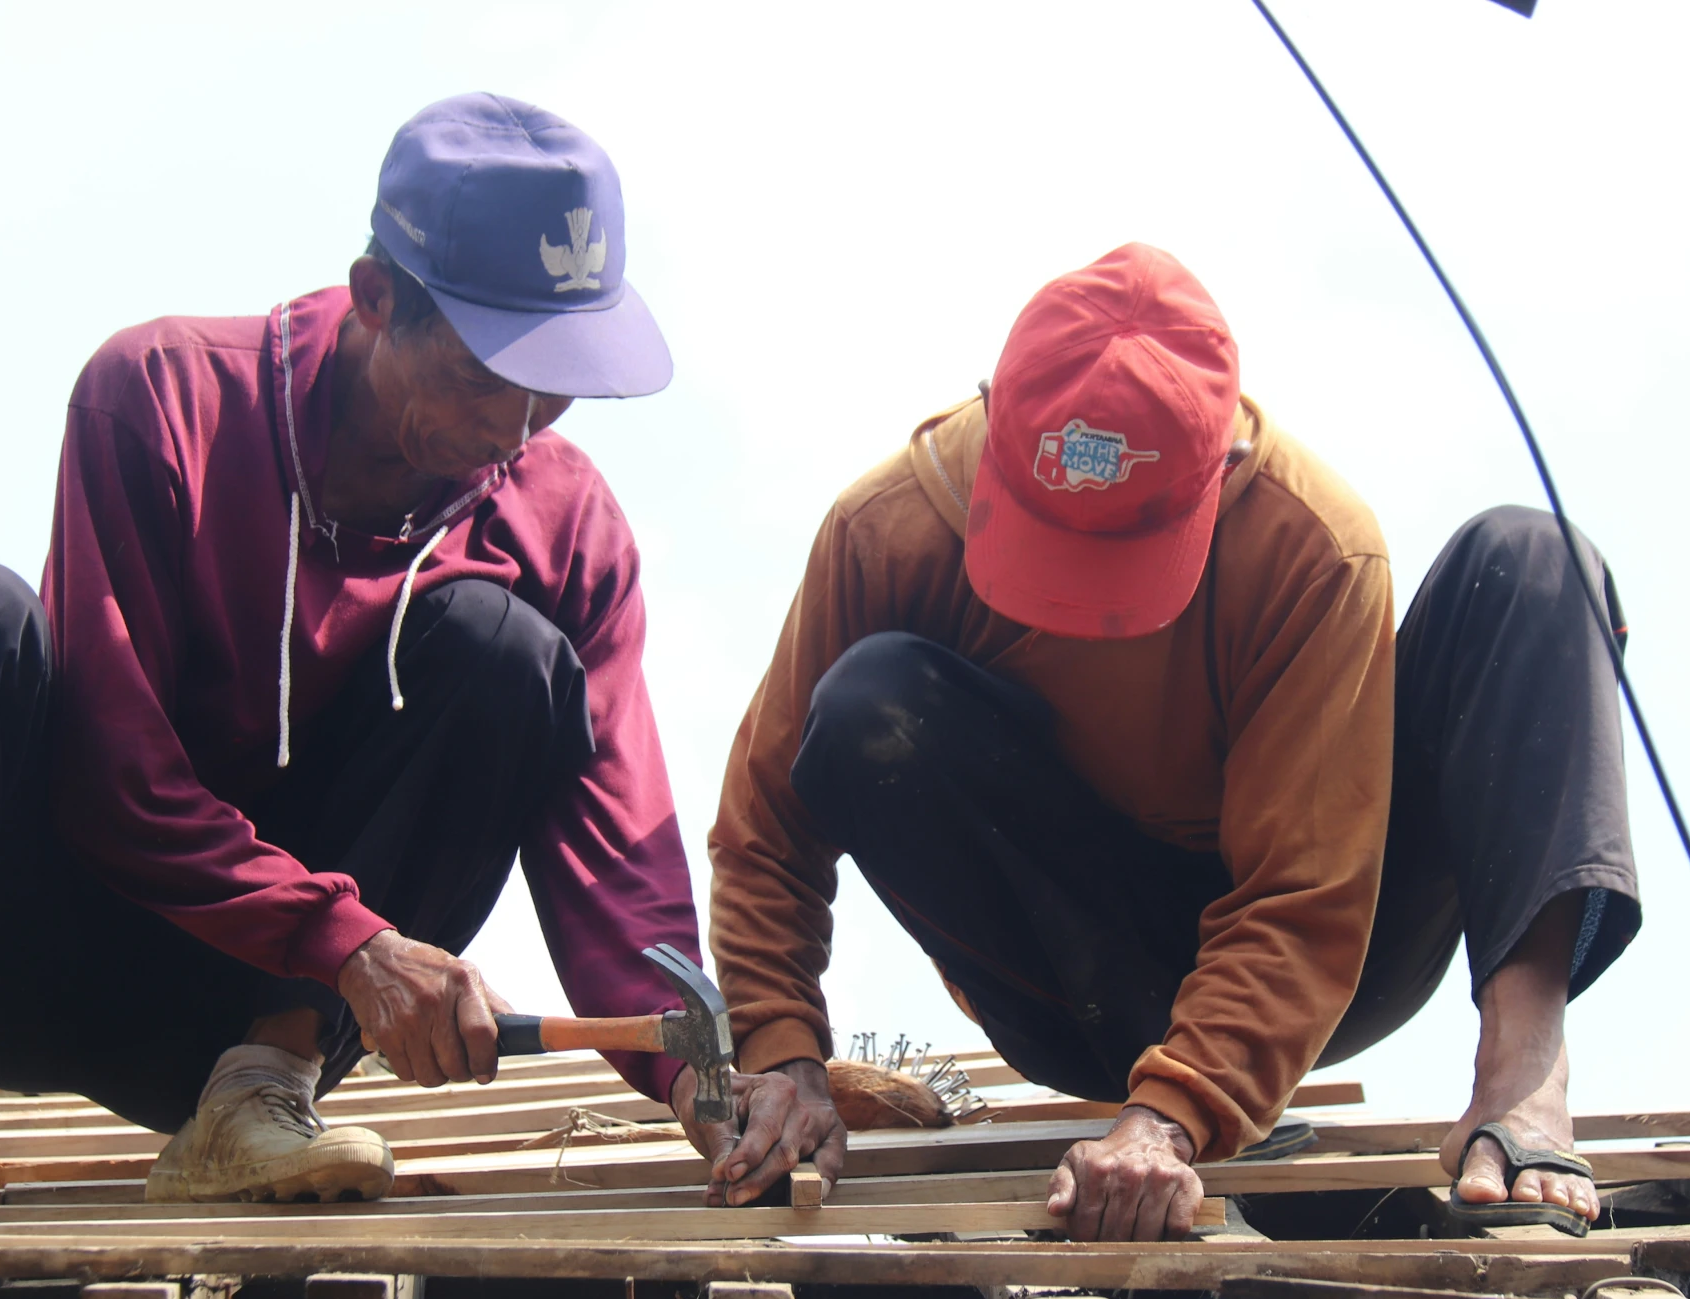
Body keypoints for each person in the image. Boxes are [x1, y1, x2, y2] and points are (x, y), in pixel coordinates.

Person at [0, 92, 702, 1227]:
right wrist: (354, 942)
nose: (517, 428)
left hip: (268, 1014)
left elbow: (621, 850)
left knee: (508, 653)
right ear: (375, 300)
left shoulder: (566, 522)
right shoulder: (162, 397)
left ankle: (256, 1096)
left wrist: (713, 1075)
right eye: (484, 373)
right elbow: (111, 776)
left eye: (555, 383)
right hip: (26, 958)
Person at [690, 243, 1640, 1240]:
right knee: (866, 700)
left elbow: (1303, 898)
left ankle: (1522, 1081)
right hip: (1073, 971)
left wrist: (1173, 1115)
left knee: (1536, 563)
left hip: (1322, 950)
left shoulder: (1310, 545)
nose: (1083, 608)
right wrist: (780, 1046)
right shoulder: (888, 528)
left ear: (1222, 462)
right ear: (996, 418)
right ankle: (1177, 1071)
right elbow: (764, 834)